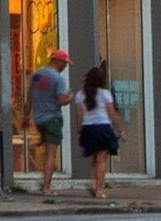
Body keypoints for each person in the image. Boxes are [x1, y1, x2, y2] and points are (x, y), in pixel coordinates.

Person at [25, 46, 74, 198]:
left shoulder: (37, 75)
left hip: (39, 119)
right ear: (58, 61)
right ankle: (46, 187)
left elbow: (30, 97)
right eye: (64, 63)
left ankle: (44, 182)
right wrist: (70, 98)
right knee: (51, 153)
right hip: (52, 118)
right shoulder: (58, 79)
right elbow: (60, 100)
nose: (65, 66)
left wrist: (25, 117)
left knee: (46, 152)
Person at [78, 64, 123, 201]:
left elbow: (79, 115)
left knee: (94, 159)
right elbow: (112, 114)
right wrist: (120, 130)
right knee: (101, 160)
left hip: (88, 128)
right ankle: (99, 189)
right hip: (103, 127)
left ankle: (93, 184)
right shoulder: (105, 94)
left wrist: (79, 130)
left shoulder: (81, 94)